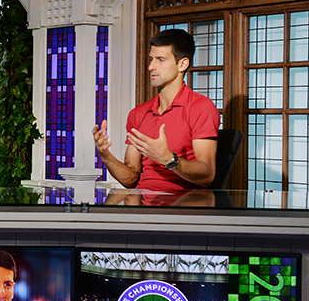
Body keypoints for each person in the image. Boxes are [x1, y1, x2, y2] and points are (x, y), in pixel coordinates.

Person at [92, 28, 220, 193]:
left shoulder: (201, 107)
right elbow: (131, 179)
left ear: (182, 64)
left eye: (160, 60)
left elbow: (207, 175)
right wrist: (106, 156)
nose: (151, 67)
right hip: (143, 205)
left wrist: (167, 158)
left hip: (184, 207)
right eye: (151, 59)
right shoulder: (138, 113)